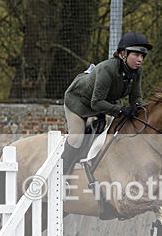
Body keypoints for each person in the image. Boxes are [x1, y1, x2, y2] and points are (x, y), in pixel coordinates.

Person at [61, 31, 152, 172]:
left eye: (142, 56)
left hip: (105, 102)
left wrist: (145, 111)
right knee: (77, 138)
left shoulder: (137, 71)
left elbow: (135, 98)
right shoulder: (107, 69)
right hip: (79, 101)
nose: (140, 59)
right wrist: (122, 110)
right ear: (123, 54)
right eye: (136, 55)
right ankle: (62, 171)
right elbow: (96, 103)